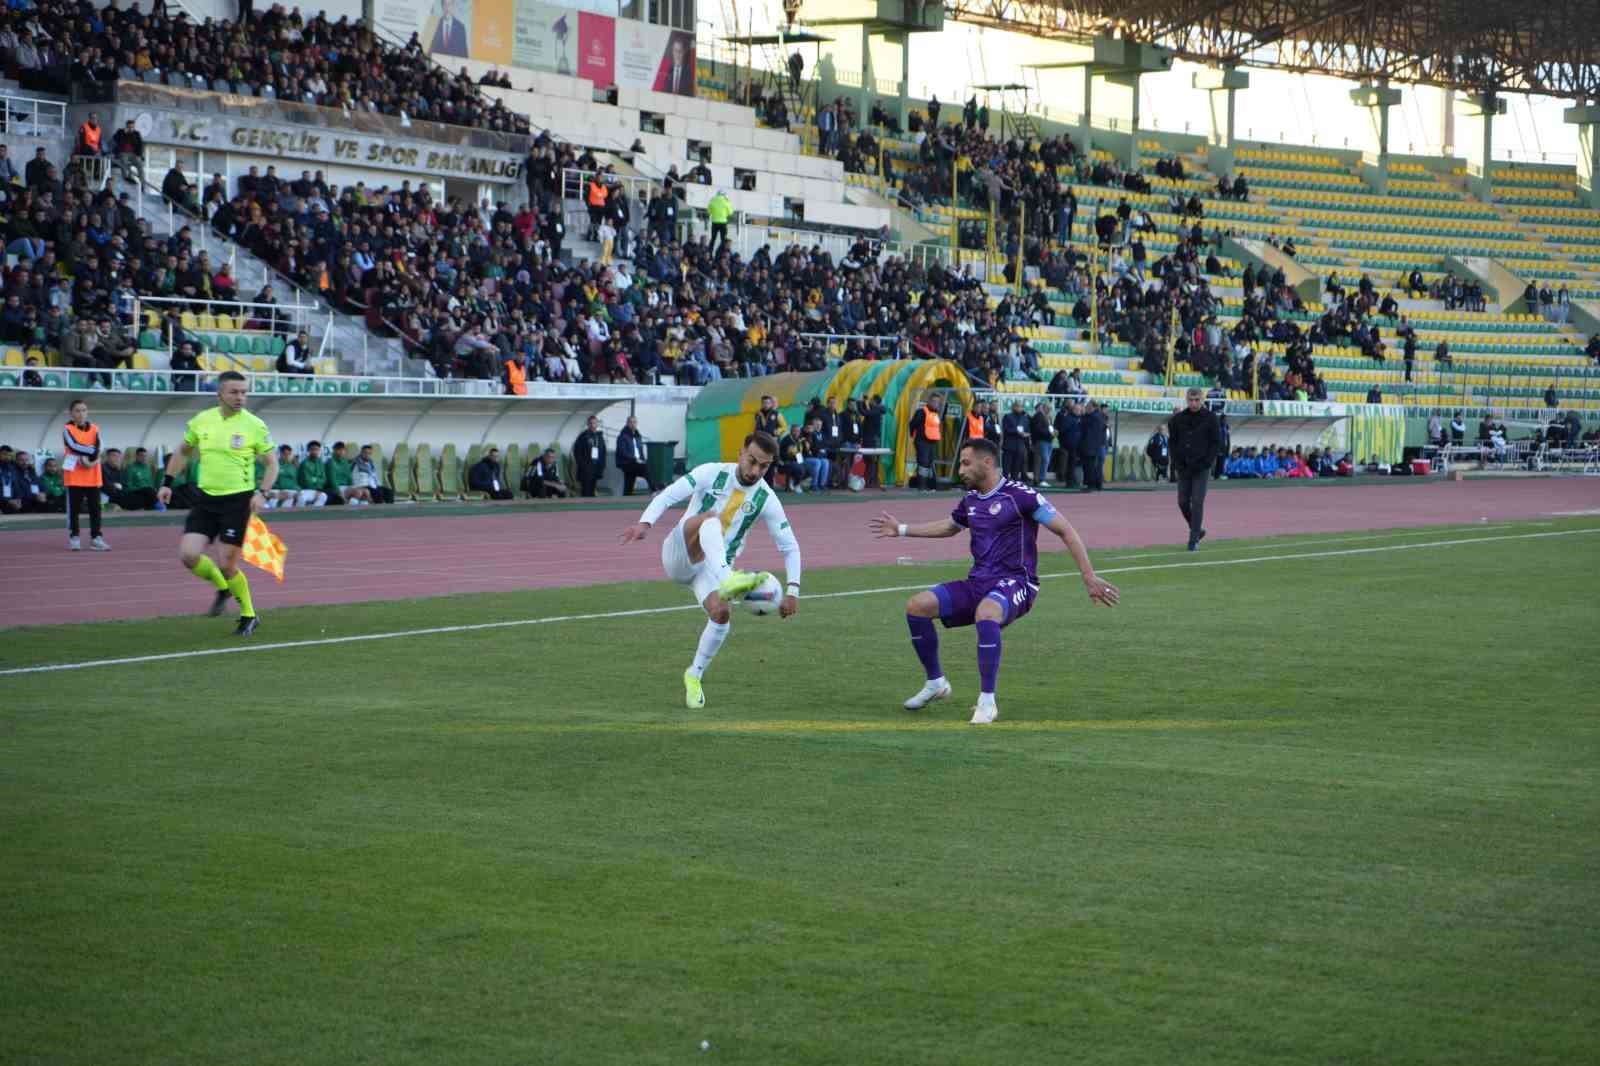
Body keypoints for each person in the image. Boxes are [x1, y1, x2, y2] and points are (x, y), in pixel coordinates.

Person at [869, 437, 1119, 724]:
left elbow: (1066, 530)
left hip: (1017, 582)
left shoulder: (1020, 496)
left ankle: (987, 701)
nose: (960, 470)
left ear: (986, 462)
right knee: (917, 606)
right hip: (978, 582)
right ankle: (936, 683)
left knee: (986, 613)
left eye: (965, 463)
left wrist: (1088, 576)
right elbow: (951, 526)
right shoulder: (972, 499)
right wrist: (901, 529)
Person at [619, 432, 802, 708]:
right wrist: (646, 523)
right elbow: (669, 495)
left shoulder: (767, 499)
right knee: (709, 520)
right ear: (741, 453)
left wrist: (793, 591)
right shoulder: (711, 473)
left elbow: (790, 547)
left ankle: (694, 675)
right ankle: (729, 580)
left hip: (709, 570)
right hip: (681, 552)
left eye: (763, 466)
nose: (755, 471)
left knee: (722, 613)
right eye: (752, 461)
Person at [155, 371, 278, 636]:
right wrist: (167, 482)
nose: (240, 397)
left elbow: (271, 464)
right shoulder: (202, 421)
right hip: (206, 499)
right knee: (188, 555)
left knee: (227, 563)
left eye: (244, 392)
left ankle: (249, 614)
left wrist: (263, 493)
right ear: (219, 394)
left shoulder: (254, 425)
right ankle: (223, 587)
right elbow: (183, 451)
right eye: (234, 392)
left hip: (238, 501)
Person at [1168, 388, 1222, 551]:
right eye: (1191, 400)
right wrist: (1177, 463)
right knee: (1182, 501)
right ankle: (1198, 529)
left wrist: (1207, 462)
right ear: (1186, 400)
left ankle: (1193, 540)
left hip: (1202, 467)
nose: (1194, 403)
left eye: (1197, 400)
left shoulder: (1211, 418)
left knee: (1197, 501)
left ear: (1202, 400)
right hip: (1184, 466)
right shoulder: (1177, 419)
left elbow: (1215, 443)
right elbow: (1173, 443)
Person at [61, 398, 111, 551]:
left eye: (83, 410)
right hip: (74, 476)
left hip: (92, 475)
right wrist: (93, 451)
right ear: (71, 413)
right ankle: (74, 537)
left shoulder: (95, 428)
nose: (81, 413)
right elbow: (74, 446)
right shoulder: (67, 429)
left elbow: (100, 445)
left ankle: (96, 537)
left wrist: (93, 453)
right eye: (77, 410)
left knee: (95, 509)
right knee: (74, 509)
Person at [907, 392, 944, 491]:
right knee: (923, 462)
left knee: (929, 463)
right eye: (934, 401)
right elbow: (912, 424)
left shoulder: (936, 413)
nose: (936, 404)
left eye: (938, 402)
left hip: (932, 442)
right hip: (922, 441)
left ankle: (928, 485)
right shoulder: (921, 412)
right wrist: (914, 436)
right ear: (929, 401)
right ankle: (921, 485)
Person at [616, 416, 652, 495]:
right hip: (627, 462)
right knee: (645, 468)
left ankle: (626, 497)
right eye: (631, 422)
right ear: (627, 423)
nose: (633, 424)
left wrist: (642, 459)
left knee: (629, 484)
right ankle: (654, 489)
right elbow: (623, 452)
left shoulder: (638, 436)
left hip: (636, 462)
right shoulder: (622, 436)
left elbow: (640, 451)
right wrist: (635, 459)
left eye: (634, 422)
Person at [574, 415, 607, 496]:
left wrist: (602, 465)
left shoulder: (599, 436)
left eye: (594, 423)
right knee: (586, 491)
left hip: (596, 468)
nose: (593, 425)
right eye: (591, 423)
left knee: (592, 491)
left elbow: (603, 452)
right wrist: (584, 466)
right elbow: (577, 452)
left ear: (597, 424)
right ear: (588, 424)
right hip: (586, 469)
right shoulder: (583, 436)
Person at [706, 190, 733, 256]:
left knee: (713, 239)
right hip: (723, 222)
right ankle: (722, 254)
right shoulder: (726, 201)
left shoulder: (712, 200)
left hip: (714, 222)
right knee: (723, 240)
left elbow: (709, 211)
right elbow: (730, 212)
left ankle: (710, 253)